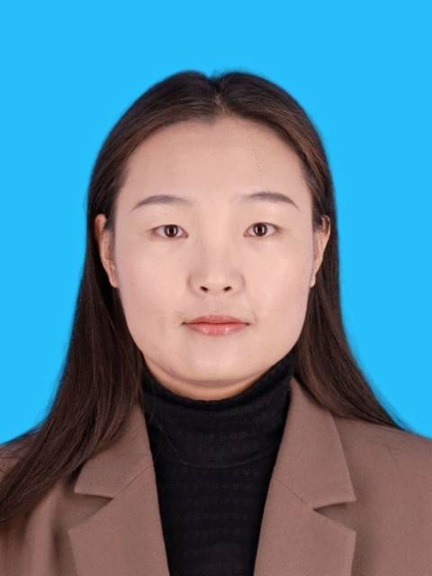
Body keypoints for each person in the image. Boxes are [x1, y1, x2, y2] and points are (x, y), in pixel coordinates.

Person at [0, 70, 431, 576]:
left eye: (261, 228)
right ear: (108, 250)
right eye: (170, 230)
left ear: (317, 249)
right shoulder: (12, 504)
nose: (215, 278)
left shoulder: (422, 495)